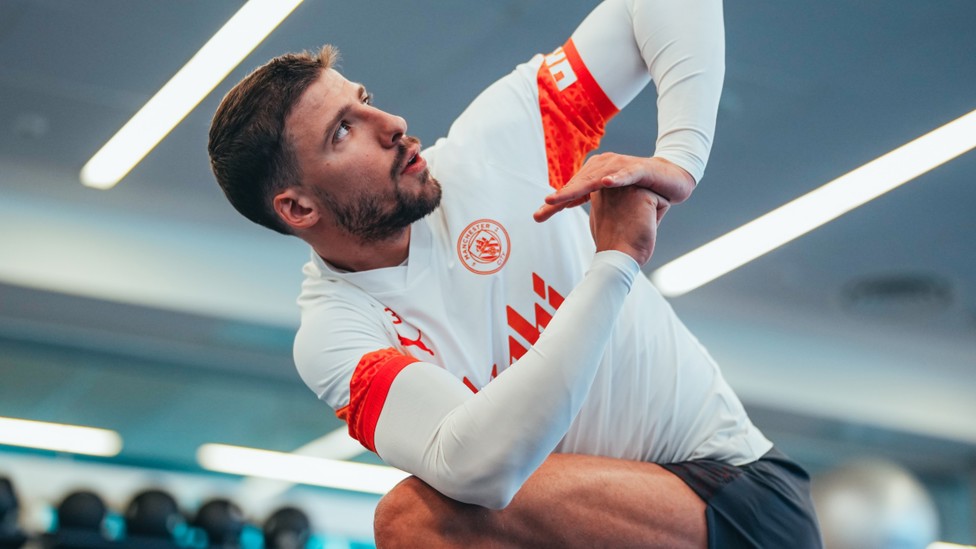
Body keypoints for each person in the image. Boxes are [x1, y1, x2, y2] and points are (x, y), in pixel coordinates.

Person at [208, 0, 823, 546]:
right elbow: (482, 469)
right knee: (416, 518)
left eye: (363, 100)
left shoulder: (499, 145)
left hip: (741, 502)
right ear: (298, 208)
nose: (390, 124)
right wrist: (614, 262)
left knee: (413, 519)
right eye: (344, 131)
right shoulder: (336, 334)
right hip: (594, 527)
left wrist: (680, 160)